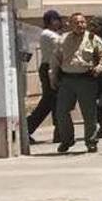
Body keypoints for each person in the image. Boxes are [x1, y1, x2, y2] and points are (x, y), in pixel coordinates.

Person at [51, 12, 102, 153]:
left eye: (83, 22)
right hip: (67, 80)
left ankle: (91, 141)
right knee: (61, 112)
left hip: (86, 80)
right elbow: (55, 60)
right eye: (77, 22)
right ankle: (67, 140)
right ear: (70, 24)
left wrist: (99, 68)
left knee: (89, 113)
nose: (80, 25)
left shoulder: (92, 38)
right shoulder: (63, 39)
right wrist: (53, 77)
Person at [25, 10, 65, 142]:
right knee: (53, 101)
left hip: (56, 68)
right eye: (55, 20)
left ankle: (28, 129)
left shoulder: (55, 34)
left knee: (50, 102)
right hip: (49, 69)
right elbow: (62, 44)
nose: (58, 22)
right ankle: (58, 131)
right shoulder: (47, 34)